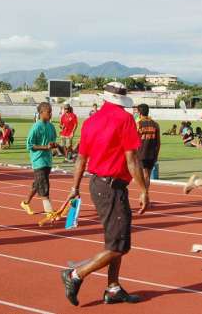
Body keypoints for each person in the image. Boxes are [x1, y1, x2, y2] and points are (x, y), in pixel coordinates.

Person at [60, 82, 148, 306]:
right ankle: (76, 274)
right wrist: (144, 190)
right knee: (120, 245)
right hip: (112, 186)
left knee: (115, 239)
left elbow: (81, 158)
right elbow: (132, 159)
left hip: (98, 184)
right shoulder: (125, 119)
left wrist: (74, 187)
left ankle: (113, 288)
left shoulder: (91, 121)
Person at [21, 102, 57, 216]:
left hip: (48, 160)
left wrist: (54, 148)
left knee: (38, 183)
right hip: (38, 160)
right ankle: (49, 211)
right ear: (41, 113)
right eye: (49, 112)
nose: (51, 114)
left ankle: (25, 203)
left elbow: (53, 142)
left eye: (51, 111)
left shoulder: (51, 126)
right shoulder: (36, 127)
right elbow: (29, 145)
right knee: (44, 184)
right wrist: (45, 147)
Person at [136, 104, 160, 191]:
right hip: (151, 154)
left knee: (142, 176)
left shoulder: (138, 124)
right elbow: (158, 143)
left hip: (140, 153)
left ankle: (144, 195)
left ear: (139, 113)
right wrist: (156, 155)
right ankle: (146, 195)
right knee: (147, 176)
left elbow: (133, 140)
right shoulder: (155, 124)